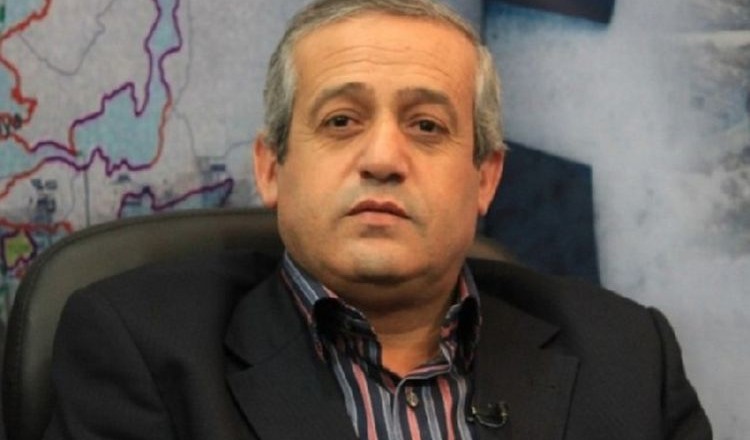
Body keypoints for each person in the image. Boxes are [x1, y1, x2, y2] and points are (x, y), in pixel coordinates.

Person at [43, 0, 711, 439]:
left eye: (427, 126)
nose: (384, 158)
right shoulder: (142, 351)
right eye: (341, 121)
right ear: (272, 168)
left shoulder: (627, 356)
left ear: (485, 178)